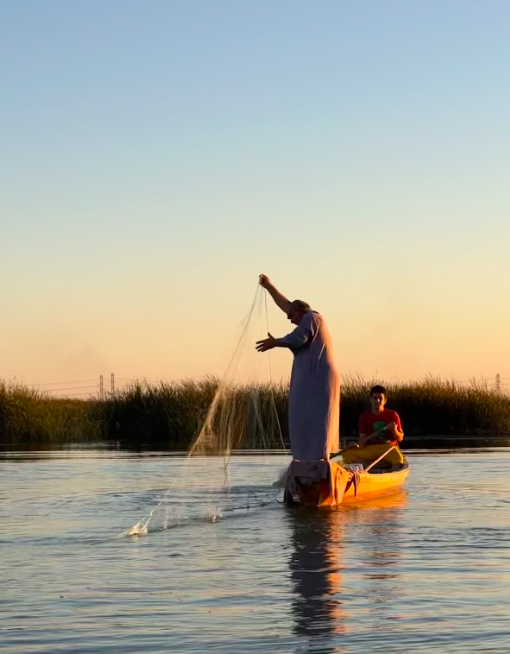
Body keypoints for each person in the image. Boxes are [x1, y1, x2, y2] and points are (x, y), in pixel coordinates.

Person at [256, 274, 340, 461]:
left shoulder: (311, 318)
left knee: (317, 420)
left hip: (318, 379)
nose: (289, 319)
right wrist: (269, 286)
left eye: (291, 315)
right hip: (308, 378)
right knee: (300, 417)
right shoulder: (304, 315)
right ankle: (304, 461)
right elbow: (286, 304)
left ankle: (318, 460)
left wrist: (276, 342)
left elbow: (299, 337)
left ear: (300, 311)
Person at [342, 385, 405, 467]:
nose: (377, 401)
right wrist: (354, 446)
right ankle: (371, 465)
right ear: (370, 400)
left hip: (388, 448)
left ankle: (377, 465)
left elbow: (400, 438)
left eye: (380, 398)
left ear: (385, 401)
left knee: (399, 460)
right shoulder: (364, 416)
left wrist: (394, 430)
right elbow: (362, 441)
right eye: (375, 398)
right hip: (370, 448)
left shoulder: (392, 415)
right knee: (346, 454)